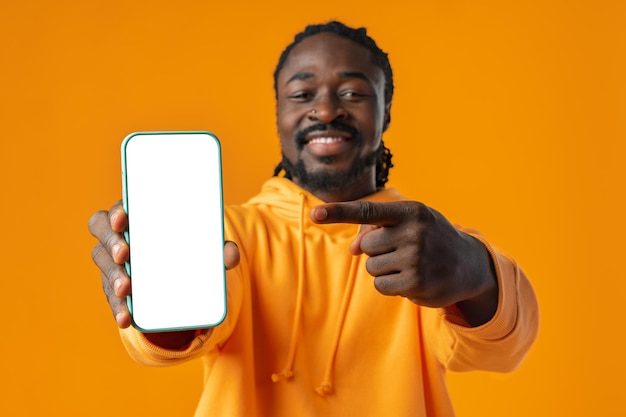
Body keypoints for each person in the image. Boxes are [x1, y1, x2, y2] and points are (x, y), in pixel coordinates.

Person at [89, 20, 539, 417]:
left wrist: (474, 270)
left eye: (352, 93)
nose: (325, 111)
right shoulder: (229, 234)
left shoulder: (424, 244)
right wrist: (154, 294)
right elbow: (175, 342)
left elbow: (504, 352)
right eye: (302, 94)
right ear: (279, 114)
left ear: (386, 113)